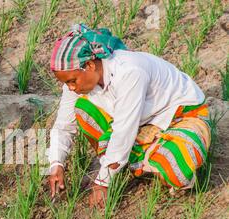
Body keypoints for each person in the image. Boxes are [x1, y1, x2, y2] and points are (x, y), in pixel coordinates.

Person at [47, 24, 211, 208]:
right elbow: (63, 126)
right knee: (83, 107)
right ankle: (135, 163)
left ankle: (136, 163)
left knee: (178, 165)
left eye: (72, 81)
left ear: (90, 65)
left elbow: (124, 130)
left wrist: (102, 182)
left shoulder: (129, 72)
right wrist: (56, 164)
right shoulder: (76, 82)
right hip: (140, 123)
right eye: (66, 83)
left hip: (179, 117)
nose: (71, 87)